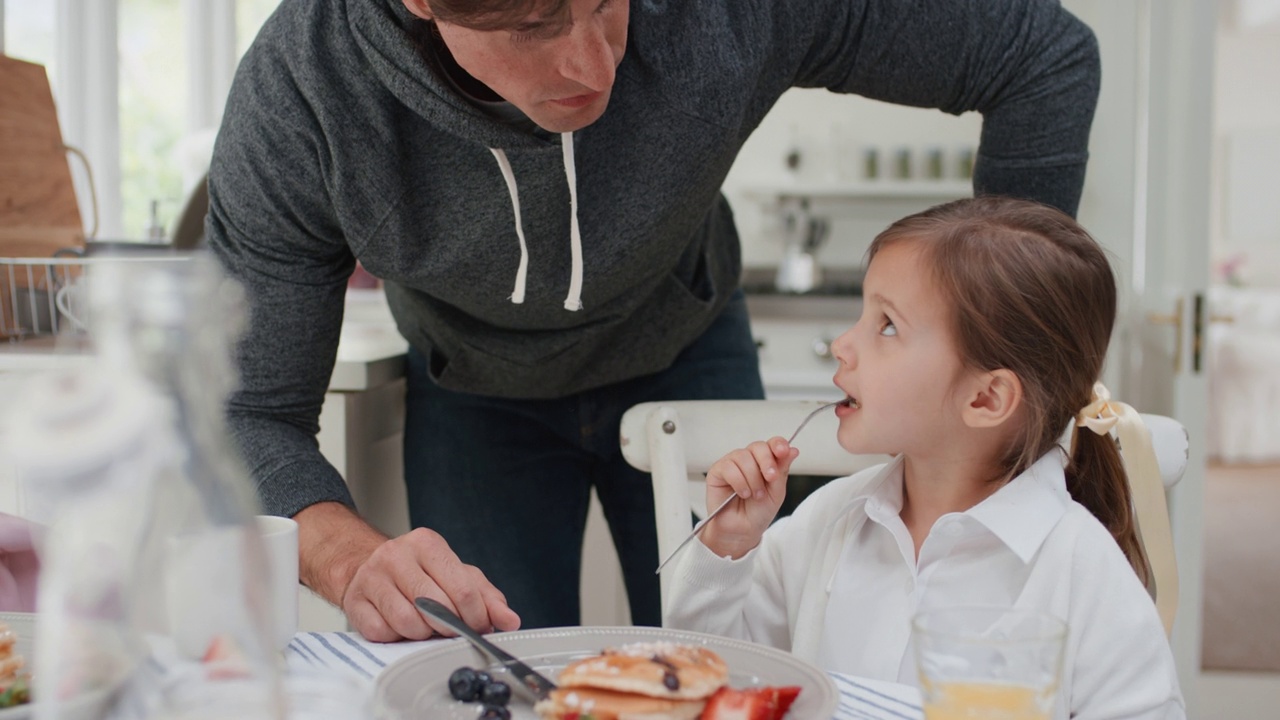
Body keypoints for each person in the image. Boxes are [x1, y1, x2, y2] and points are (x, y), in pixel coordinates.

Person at [205, 0, 1101, 640]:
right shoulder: (300, 96)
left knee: (743, 664)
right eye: (532, 24)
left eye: (608, 3)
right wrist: (353, 560)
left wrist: (995, 339)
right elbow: (248, 410)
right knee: (492, 685)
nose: (595, 67)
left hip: (686, 344)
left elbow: (1041, 53)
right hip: (474, 394)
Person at [664, 196, 1184, 718]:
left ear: (985, 399)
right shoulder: (825, 523)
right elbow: (704, 678)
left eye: (887, 325)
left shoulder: (1084, 571)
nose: (844, 344)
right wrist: (726, 547)